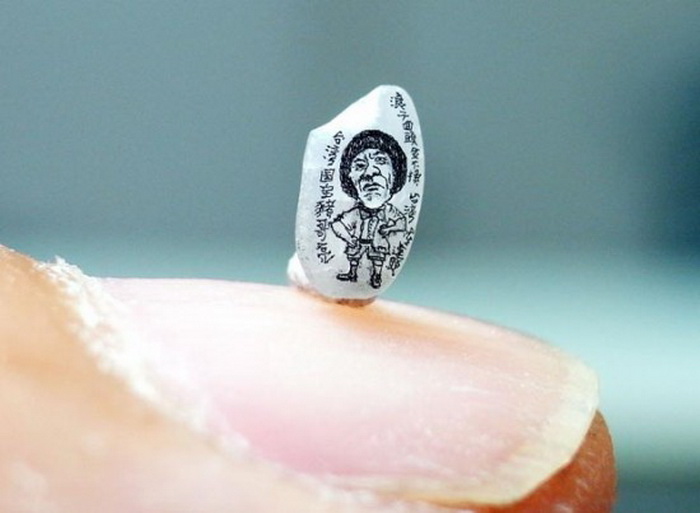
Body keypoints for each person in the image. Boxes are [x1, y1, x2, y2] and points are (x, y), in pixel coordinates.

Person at [331, 130, 408, 289]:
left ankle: (376, 276)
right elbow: (337, 224)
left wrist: (389, 229)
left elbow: (402, 223)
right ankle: (352, 273)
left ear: (395, 172)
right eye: (359, 165)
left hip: (378, 242)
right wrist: (349, 238)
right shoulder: (356, 212)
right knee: (353, 255)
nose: (370, 172)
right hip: (358, 241)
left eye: (380, 160)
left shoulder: (389, 211)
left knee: (378, 257)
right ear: (350, 177)